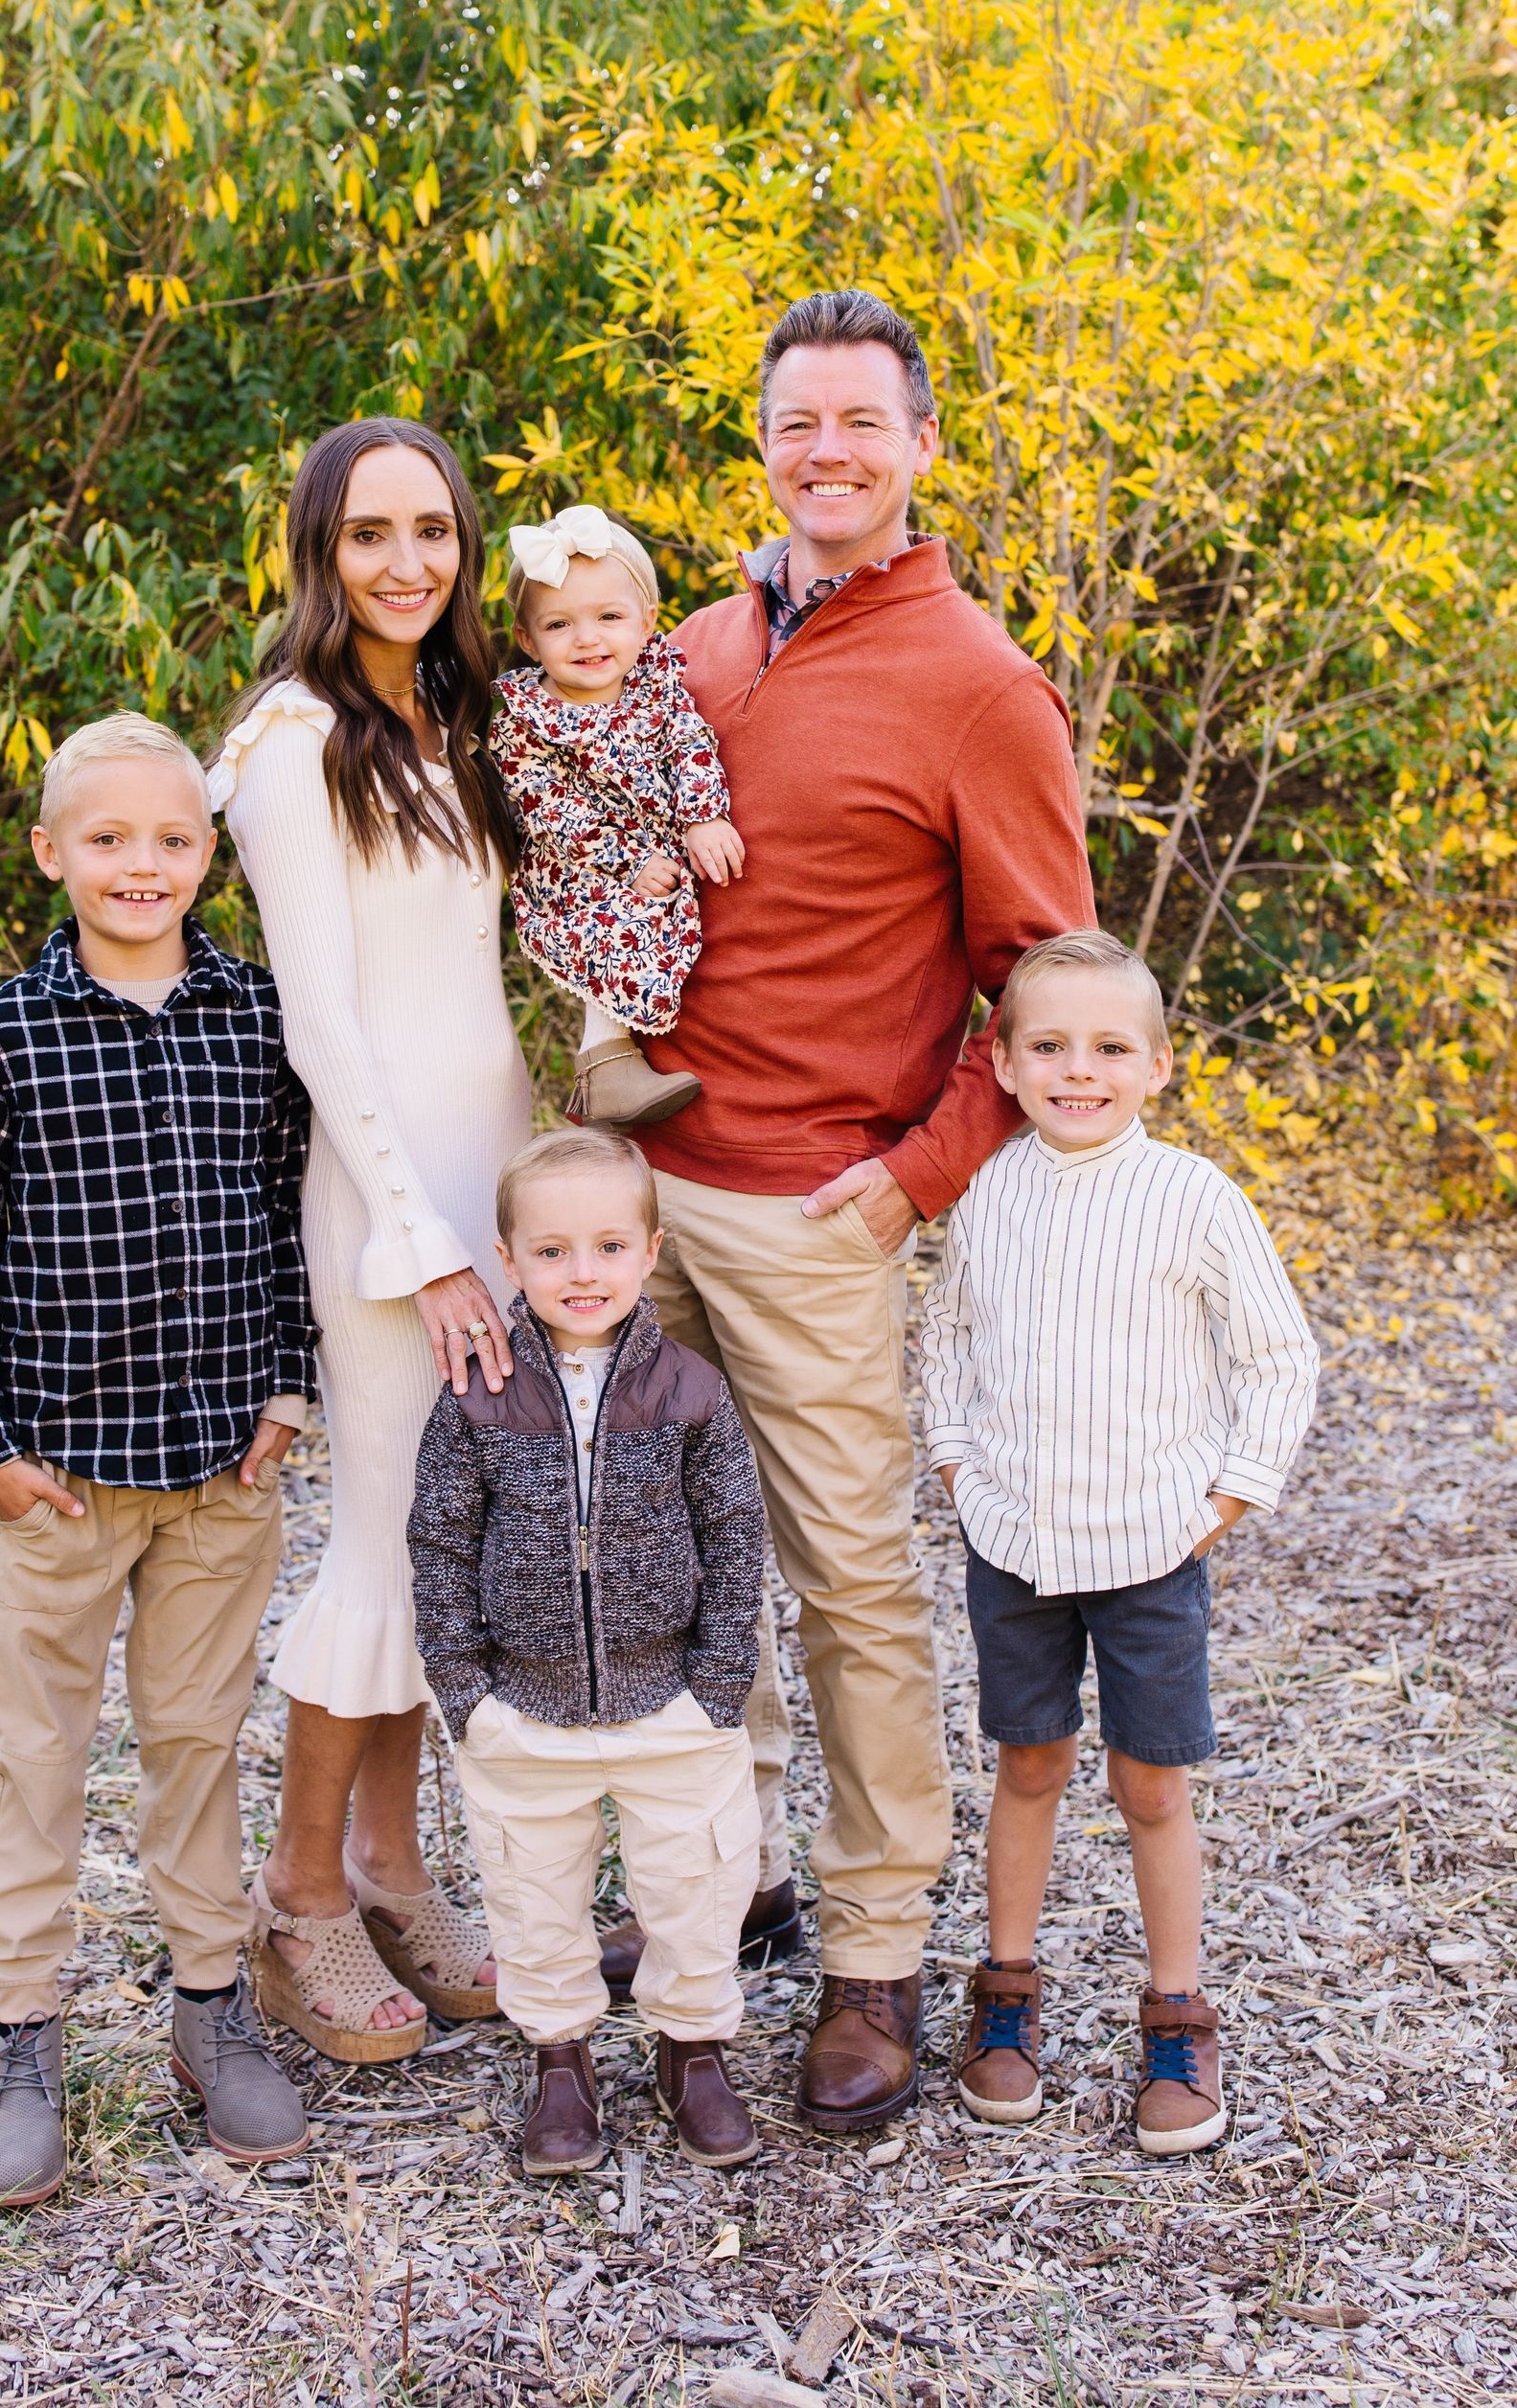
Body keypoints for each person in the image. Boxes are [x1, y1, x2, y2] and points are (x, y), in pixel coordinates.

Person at [601, 287, 1098, 2135]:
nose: (828, 453)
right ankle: (729, 1880)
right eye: (797, 423)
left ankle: (881, 1958)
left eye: (861, 425)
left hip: (816, 1214)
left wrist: (908, 1184)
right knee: (671, 1565)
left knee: (852, 1594)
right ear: (764, 442)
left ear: (918, 447)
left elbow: (1052, 988)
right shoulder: (695, 647)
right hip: (643, 1204)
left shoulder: (979, 683)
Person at [0, 713, 315, 2206]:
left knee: (198, 1749)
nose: (143, 865)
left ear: (211, 856)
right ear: (53, 853)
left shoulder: (256, 1017)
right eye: (109, 839)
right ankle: (22, 2028)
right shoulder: (2, 1036)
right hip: (61, 1484)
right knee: (40, 1757)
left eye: (173, 839)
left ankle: (212, 2006)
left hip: (221, 1473)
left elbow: (287, 1224)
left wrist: (287, 1390)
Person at [208, 417, 528, 2061]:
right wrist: (427, 1242)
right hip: (390, 1197)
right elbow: (325, 1027)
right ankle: (300, 1901)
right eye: (367, 536)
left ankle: (397, 1871)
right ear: (315, 553)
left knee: (447, 1545)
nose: (407, 564)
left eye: (433, 531)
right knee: (388, 1544)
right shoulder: (288, 738)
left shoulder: (449, 714)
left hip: (497, 1174)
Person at [920, 929, 1319, 2153]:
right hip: (1016, 1540)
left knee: (1152, 1783)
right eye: (1049, 1046)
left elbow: (1278, 1354)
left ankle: (1177, 2014)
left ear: (1155, 1065)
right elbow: (948, 1334)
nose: (1076, 1070)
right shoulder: (988, 1189)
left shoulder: (1195, 1196)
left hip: (1152, 1546)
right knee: (1028, 1763)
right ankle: (1006, 1997)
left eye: (1107, 1048)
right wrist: (955, 1458)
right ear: (1002, 1060)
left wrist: (1230, 1496)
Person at [408, 1128, 767, 2175]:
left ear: (650, 1252)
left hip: (672, 1705)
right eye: (553, 1251)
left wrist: (718, 1683)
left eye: (608, 1247)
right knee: (531, 1891)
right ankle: (560, 2059)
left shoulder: (690, 1389)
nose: (583, 1273)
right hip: (522, 1707)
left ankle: (691, 2051)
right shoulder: (480, 1391)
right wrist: (465, 1690)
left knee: (696, 1883)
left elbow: (735, 1533)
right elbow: (439, 1539)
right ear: (509, 1261)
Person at [494, 502, 742, 1129]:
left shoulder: (655, 688)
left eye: (609, 617)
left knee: (663, 922)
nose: (588, 638)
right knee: (617, 923)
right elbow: (546, 806)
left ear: (647, 621)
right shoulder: (527, 719)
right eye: (559, 625)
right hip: (580, 864)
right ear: (528, 640)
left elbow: (690, 745)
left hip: (654, 850)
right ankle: (605, 1062)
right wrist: (627, 860)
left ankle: (608, 1067)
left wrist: (704, 816)